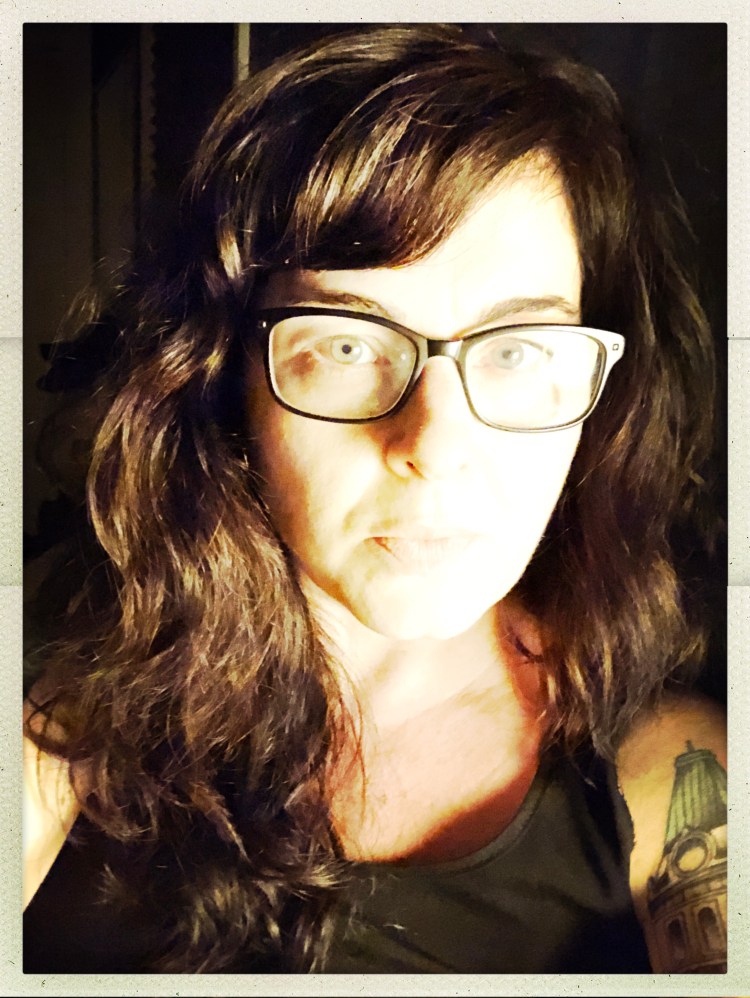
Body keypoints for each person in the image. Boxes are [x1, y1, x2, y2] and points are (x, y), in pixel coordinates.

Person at [23, 24, 726, 974]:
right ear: (230, 381)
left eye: (519, 350)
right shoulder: (66, 698)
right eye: (348, 344)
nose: (433, 449)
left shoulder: (677, 784)